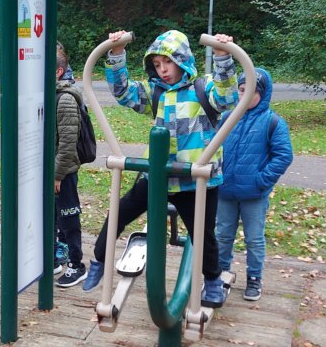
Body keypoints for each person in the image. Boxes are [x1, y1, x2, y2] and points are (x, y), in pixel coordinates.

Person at [82, 30, 238, 310]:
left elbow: (227, 98)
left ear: (183, 61)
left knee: (202, 235)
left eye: (168, 63)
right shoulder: (155, 92)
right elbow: (123, 92)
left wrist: (223, 56)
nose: (163, 70)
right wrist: (116, 54)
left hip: (195, 180)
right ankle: (99, 260)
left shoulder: (203, 89)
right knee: (119, 211)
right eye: (156, 64)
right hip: (158, 176)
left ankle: (213, 279)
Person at [215, 68, 293, 301]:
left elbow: (283, 156)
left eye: (251, 91)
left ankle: (254, 278)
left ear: (263, 93)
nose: (245, 95)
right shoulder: (227, 118)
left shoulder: (272, 122)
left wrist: (261, 181)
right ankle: (220, 275)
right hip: (225, 191)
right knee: (223, 235)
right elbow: (213, 146)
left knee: (254, 239)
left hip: (254, 194)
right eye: (241, 89)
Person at [53, 46, 88, 287]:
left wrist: (57, 175)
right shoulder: (46, 95)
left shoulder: (65, 99)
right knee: (52, 218)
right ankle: (54, 259)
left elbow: (67, 143)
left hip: (63, 172)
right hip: (51, 171)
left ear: (58, 71)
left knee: (68, 218)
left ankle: (77, 264)